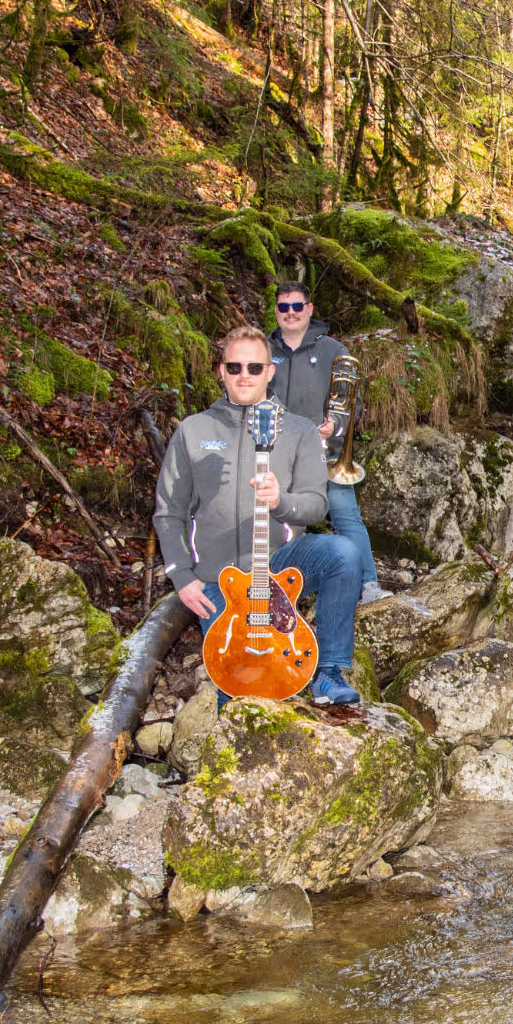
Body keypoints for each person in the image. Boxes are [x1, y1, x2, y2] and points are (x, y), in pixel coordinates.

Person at [155, 326, 362, 705]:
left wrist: (281, 501)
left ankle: (330, 672)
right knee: (239, 687)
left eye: (254, 366)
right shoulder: (193, 430)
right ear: (220, 371)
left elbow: (318, 504)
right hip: (218, 580)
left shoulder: (300, 430)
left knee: (344, 555)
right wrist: (182, 577)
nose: (244, 375)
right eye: (234, 367)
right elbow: (169, 512)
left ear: (271, 371)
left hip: (278, 565)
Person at [266, 280, 385, 605]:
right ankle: (277, 591)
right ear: (276, 310)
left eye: (297, 306)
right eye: (283, 307)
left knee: (346, 516)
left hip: (325, 455)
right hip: (277, 456)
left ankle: (368, 586)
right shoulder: (264, 350)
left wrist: (335, 425)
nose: (290, 313)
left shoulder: (333, 350)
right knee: (279, 522)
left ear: (309, 310)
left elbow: (351, 400)